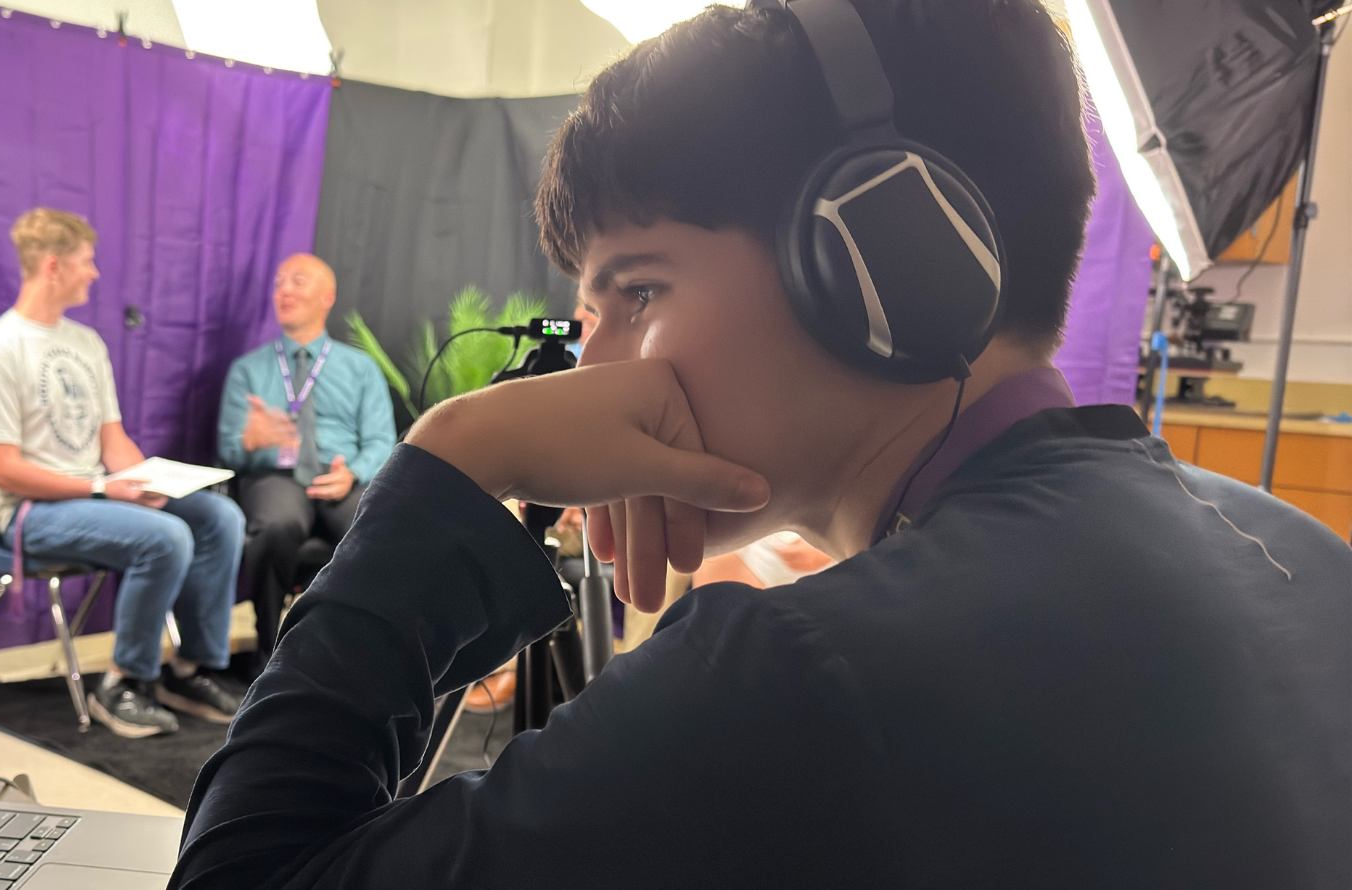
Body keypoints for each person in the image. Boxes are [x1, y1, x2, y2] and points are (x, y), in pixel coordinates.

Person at [170, 1, 1352, 887]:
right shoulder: (1302, 551)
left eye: (636, 288)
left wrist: (452, 459)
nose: (595, 370)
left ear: (880, 252)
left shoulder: (805, 670)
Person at [0, 207, 247, 739]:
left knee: (220, 517)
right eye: (86, 262)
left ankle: (192, 670)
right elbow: (4, 471)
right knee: (166, 539)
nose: (94, 273)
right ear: (53, 266)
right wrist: (102, 487)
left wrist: (146, 483)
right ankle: (122, 682)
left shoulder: (86, 343)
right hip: (33, 513)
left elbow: (112, 441)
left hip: (95, 495)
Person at [217, 253, 395, 664]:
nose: (285, 290)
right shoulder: (248, 370)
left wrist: (353, 472)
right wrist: (249, 440)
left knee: (373, 529)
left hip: (341, 475)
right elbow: (227, 450)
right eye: (279, 283)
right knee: (277, 524)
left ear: (327, 296)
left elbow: (381, 440)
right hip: (275, 476)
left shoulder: (360, 368)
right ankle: (267, 650)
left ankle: (361, 652)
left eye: (298, 281)